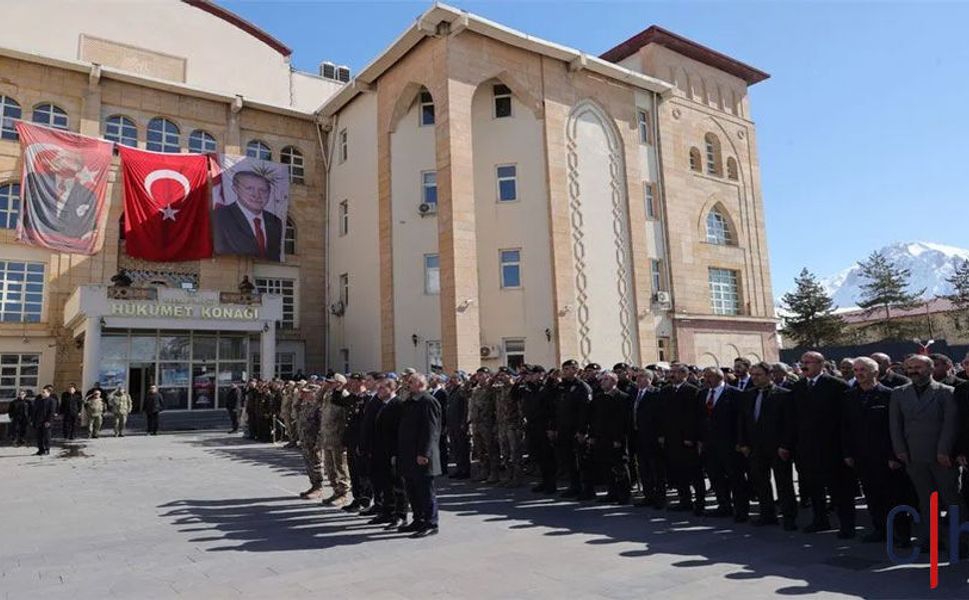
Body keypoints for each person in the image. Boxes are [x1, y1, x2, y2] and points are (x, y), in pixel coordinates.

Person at [890, 354, 965, 551]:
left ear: (931, 369)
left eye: (918, 367)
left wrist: (944, 450)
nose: (914, 371)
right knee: (926, 499)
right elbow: (895, 424)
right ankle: (932, 539)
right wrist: (900, 449)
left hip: (942, 456)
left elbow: (951, 425)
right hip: (914, 455)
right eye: (910, 367)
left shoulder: (947, 392)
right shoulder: (899, 393)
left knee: (952, 499)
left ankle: (963, 541)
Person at [842, 357, 916, 545]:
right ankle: (880, 529)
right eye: (856, 370)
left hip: (887, 457)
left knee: (895, 496)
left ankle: (901, 533)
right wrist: (848, 453)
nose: (859, 373)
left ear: (875, 372)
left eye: (863, 370)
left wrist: (895, 455)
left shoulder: (890, 395)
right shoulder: (850, 396)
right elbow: (846, 427)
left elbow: (899, 427)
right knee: (872, 495)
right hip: (863, 456)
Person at [790, 351, 855, 538]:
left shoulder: (836, 385)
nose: (803, 366)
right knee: (814, 487)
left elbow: (845, 419)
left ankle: (846, 525)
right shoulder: (799, 386)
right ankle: (820, 520)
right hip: (807, 447)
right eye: (802, 362)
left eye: (807, 362)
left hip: (832, 447)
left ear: (820, 364)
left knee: (839, 490)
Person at [738, 362, 797, 530]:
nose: (755, 378)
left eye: (758, 375)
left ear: (770, 375)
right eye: (753, 375)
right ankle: (767, 514)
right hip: (755, 447)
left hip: (777, 447)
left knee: (783, 483)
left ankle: (789, 516)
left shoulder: (783, 395)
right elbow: (743, 420)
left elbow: (789, 424)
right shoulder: (748, 395)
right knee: (760, 482)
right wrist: (743, 443)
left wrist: (785, 445)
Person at [699, 366, 747, 521]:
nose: (706, 380)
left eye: (709, 377)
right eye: (705, 377)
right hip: (710, 444)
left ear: (720, 378)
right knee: (716, 476)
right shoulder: (702, 394)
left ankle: (741, 510)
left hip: (730, 444)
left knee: (735, 478)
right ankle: (724, 505)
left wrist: (741, 441)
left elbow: (741, 421)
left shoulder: (734, 394)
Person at [397, 373, 442, 537]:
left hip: (422, 456)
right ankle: (418, 519)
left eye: (410, 382)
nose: (407, 385)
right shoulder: (411, 401)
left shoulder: (427, 401)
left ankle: (431, 523)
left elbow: (430, 431)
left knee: (425, 490)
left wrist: (424, 453)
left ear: (421, 384)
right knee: (412, 489)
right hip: (408, 454)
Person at [661, 363, 704, 515]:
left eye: (675, 372)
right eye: (670, 372)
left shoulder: (692, 391)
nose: (671, 375)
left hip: (687, 439)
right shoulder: (666, 390)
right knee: (678, 471)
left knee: (694, 472)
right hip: (672, 438)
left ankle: (700, 502)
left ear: (684, 374)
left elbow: (694, 416)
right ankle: (684, 500)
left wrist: (690, 436)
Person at [213, 170, 283, 261]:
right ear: (235, 189)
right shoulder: (220, 216)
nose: (257, 195)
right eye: (249, 188)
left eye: (263, 190)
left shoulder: (275, 221)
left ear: (269, 193)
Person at [368, 376, 409, 528]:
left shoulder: (397, 405)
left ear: (392, 389)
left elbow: (399, 432)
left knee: (398, 485)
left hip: (393, 452)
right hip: (381, 452)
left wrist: (396, 453)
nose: (378, 391)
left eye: (382, 388)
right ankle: (387, 512)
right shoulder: (383, 404)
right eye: (378, 388)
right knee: (385, 484)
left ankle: (400, 515)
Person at [587, 371, 632, 504]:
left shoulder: (623, 397)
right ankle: (612, 492)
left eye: (605, 380)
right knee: (606, 467)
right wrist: (592, 436)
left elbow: (623, 422)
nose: (602, 382)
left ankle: (624, 494)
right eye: (601, 380)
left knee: (620, 468)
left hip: (617, 439)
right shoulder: (599, 398)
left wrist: (619, 439)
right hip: (602, 438)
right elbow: (594, 419)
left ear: (614, 381)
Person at [552, 360, 593, 498]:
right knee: (569, 460)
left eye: (570, 369)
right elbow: (556, 408)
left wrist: (582, 431)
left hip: (577, 430)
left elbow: (585, 411)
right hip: (564, 429)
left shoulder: (582, 387)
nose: (567, 371)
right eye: (565, 369)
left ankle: (588, 490)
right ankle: (574, 487)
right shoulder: (561, 386)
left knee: (583, 461)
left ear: (576, 370)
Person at [632, 369, 666, 508]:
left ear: (650, 379)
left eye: (642, 377)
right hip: (638, 435)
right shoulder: (634, 393)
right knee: (643, 468)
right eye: (637, 377)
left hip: (653, 436)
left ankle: (660, 498)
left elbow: (662, 416)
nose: (638, 379)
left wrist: (661, 435)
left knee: (656, 469)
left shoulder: (656, 393)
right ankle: (648, 495)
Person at [341, 373, 373, 512]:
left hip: (361, 441)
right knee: (353, 470)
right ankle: (357, 497)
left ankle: (365, 499)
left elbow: (366, 424)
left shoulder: (368, 399)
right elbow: (338, 401)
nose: (350, 384)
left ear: (361, 382)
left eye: (353, 382)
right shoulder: (353, 398)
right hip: (352, 440)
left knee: (362, 471)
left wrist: (363, 442)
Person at [319, 374, 351, 507]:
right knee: (329, 467)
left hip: (337, 437)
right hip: (327, 436)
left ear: (339, 383)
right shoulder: (329, 395)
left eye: (332, 383)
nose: (329, 385)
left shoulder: (344, 396)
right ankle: (335, 491)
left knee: (340, 468)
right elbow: (318, 403)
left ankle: (343, 494)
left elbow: (346, 418)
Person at [494, 367, 525, 487]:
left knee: (515, 452)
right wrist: (496, 376)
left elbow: (520, 408)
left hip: (513, 425)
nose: (501, 377)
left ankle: (518, 478)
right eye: (500, 375)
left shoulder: (516, 389)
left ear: (511, 376)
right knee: (505, 453)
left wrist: (520, 425)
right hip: (502, 424)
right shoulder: (499, 389)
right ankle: (508, 476)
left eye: (504, 375)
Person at [297, 382, 326, 500]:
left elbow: (322, 427)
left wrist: (319, 443)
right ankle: (314, 485)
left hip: (314, 441)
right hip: (305, 440)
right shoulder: (306, 405)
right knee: (308, 464)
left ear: (315, 393)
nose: (304, 394)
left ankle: (319, 487)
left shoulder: (319, 407)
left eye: (307, 393)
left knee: (316, 464)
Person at [445, 372, 472, 480]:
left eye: (455, 378)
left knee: (462, 448)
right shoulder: (453, 391)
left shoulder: (461, 391)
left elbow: (466, 408)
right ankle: (459, 468)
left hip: (459, 424)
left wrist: (464, 422)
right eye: (451, 378)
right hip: (452, 424)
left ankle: (465, 470)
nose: (452, 380)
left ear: (460, 380)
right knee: (455, 447)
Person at [31, 387, 57, 455]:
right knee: (39, 437)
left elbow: (51, 412)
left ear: (48, 393)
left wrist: (49, 421)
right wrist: (33, 420)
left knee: (47, 437)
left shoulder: (52, 401)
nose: (42, 393)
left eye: (44, 392)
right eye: (42, 392)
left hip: (46, 422)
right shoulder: (39, 401)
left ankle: (47, 449)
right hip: (38, 421)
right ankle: (40, 449)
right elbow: (35, 411)